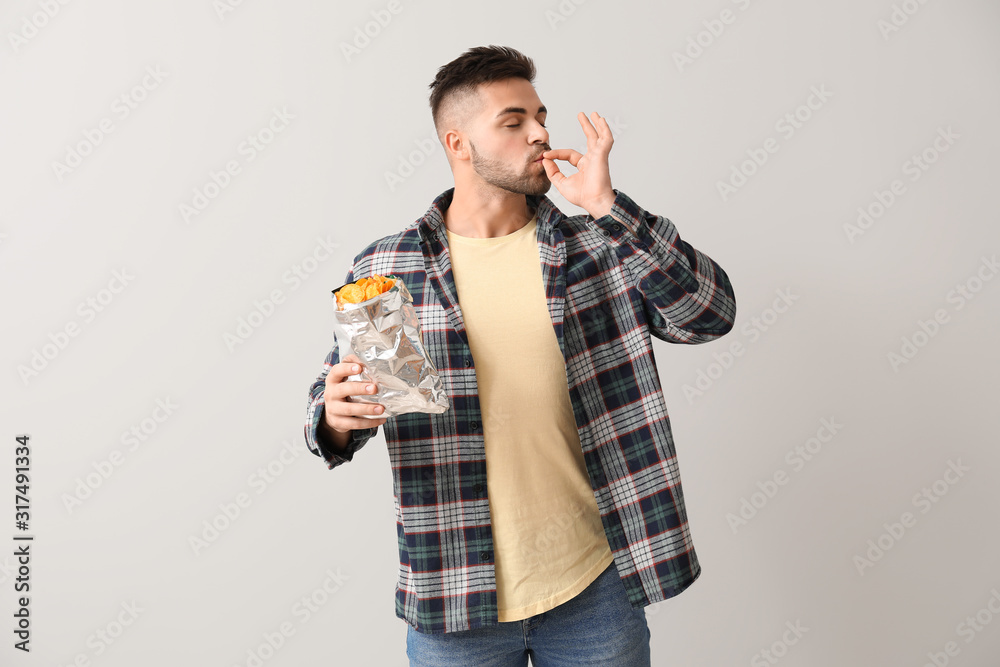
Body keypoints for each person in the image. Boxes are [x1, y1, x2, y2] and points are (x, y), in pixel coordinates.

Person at [303, 45, 737, 666]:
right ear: (458, 144)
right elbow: (337, 406)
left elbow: (710, 315)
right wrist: (335, 420)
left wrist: (610, 209)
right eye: (513, 122)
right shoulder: (391, 267)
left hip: (596, 587)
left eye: (540, 116)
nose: (540, 134)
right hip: (455, 594)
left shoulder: (597, 245)